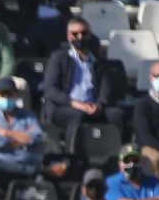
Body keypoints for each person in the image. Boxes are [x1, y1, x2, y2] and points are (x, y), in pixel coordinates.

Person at [41, 18, 128, 148]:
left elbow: (106, 88)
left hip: (93, 106)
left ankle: (115, 156)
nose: (80, 37)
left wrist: (99, 105)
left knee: (116, 115)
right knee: (78, 115)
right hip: (66, 106)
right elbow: (50, 90)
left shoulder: (99, 62)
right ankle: (73, 153)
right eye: (75, 34)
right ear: (69, 37)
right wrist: (75, 104)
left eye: (84, 33)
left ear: (90, 34)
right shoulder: (59, 57)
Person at [0, 81, 43, 195]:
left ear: (16, 95)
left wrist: (7, 133)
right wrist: (21, 139)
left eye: (9, 94)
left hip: (23, 167)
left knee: (41, 178)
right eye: (2, 95)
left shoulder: (28, 116)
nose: (6, 98)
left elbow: (36, 136)